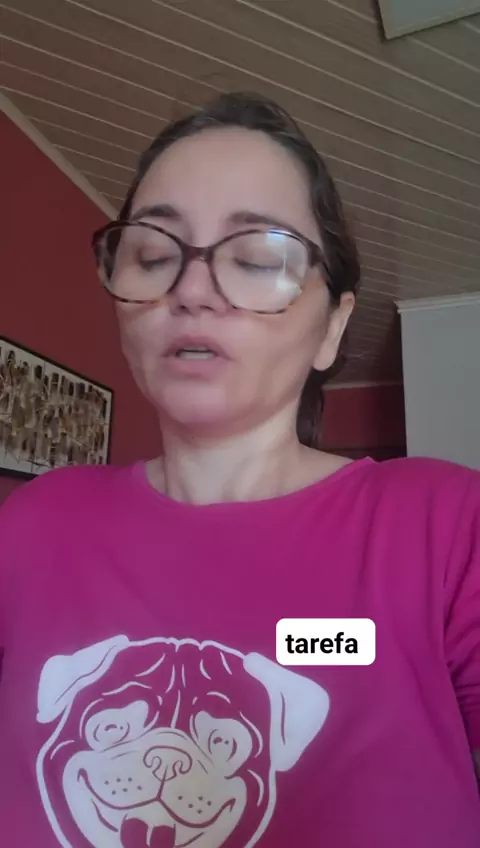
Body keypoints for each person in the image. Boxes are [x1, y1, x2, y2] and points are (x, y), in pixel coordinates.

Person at [0, 92, 479, 848]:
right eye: (153, 254)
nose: (191, 290)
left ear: (333, 327)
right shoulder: (34, 524)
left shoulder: (444, 526)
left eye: (257, 259)